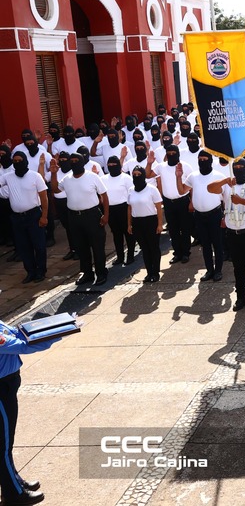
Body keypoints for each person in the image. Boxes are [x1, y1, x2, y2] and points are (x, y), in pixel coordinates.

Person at [0, 318, 62, 505]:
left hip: (7, 385)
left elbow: (18, 333)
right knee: (2, 446)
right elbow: (22, 346)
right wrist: (58, 333)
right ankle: (13, 495)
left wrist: (55, 326)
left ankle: (14, 482)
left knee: (6, 442)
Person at [207, 158, 245, 311]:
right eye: (236, 167)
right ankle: (241, 296)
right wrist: (224, 181)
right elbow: (210, 188)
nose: (239, 169)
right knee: (238, 267)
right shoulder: (228, 186)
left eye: (242, 166)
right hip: (233, 233)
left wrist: (242, 201)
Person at [58, 152, 109, 286]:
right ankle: (87, 273)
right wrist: (52, 173)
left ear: (82, 162)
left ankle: (101, 273)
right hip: (74, 217)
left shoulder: (92, 177)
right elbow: (56, 190)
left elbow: (104, 195)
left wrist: (106, 215)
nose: (74, 163)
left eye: (77, 160)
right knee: (81, 247)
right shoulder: (67, 178)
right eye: (72, 160)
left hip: (91, 216)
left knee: (97, 246)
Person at [0, 152, 48, 283]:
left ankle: (41, 271)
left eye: (20, 160)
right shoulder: (7, 177)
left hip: (34, 215)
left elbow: (44, 197)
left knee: (39, 245)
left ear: (25, 161)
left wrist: (44, 216)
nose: (17, 163)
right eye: (14, 161)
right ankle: (30, 272)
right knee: (24, 247)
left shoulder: (35, 176)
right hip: (17, 218)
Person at [184, 151, 224, 282]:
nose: (202, 161)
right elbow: (181, 191)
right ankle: (209, 270)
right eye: (200, 159)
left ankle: (218, 270)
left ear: (210, 160)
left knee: (217, 244)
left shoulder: (218, 175)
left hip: (215, 214)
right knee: (205, 245)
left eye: (205, 159)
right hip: (200, 216)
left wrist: (225, 216)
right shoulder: (193, 176)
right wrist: (178, 177)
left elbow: (225, 198)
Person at [126, 167, 163, 283]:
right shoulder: (131, 190)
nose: (136, 176)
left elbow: (158, 207)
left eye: (139, 174)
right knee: (145, 249)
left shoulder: (152, 189)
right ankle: (149, 273)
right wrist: (129, 224)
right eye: (134, 174)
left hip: (151, 221)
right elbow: (129, 208)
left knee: (153, 248)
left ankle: (156, 272)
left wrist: (160, 224)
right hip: (137, 222)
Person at [101, 156, 136, 266]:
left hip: (124, 208)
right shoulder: (103, 179)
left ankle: (130, 255)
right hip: (111, 209)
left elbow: (132, 194)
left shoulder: (126, 178)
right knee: (116, 234)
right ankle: (120, 257)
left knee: (128, 232)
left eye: (114, 165)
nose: (111, 167)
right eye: (109, 165)